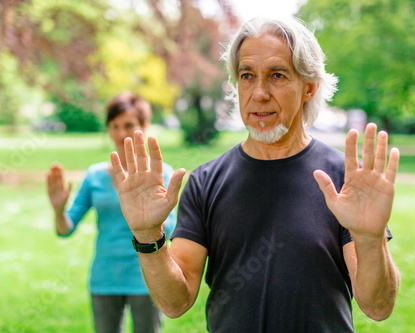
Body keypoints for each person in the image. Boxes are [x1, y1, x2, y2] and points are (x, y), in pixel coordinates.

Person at [109, 17, 400, 332]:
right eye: (247, 75)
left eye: (277, 75)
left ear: (309, 87)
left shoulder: (344, 180)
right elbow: (175, 303)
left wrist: (371, 240)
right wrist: (148, 234)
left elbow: (377, 306)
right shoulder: (206, 181)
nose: (259, 93)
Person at [46, 91, 175, 333]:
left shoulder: (161, 175)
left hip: (146, 279)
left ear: (144, 126)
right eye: (114, 126)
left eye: (128, 125)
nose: (120, 133)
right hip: (105, 278)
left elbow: (172, 231)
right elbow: (65, 229)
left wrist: (150, 216)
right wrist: (58, 210)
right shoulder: (95, 176)